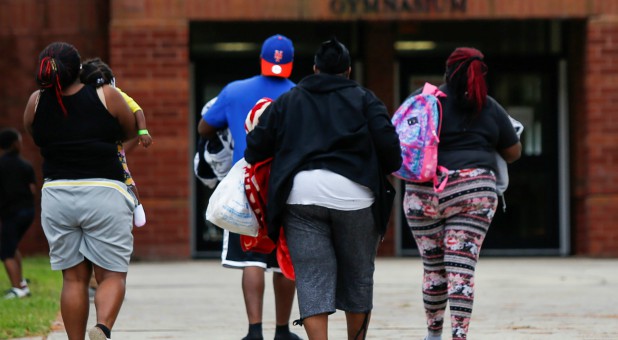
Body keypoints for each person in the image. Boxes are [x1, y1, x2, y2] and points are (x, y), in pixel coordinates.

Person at [244, 37, 402, 340]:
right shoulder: (366, 99)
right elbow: (392, 153)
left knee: (312, 279)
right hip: (356, 197)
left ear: (315, 68)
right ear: (348, 71)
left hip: (301, 197)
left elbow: (255, 149)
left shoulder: (289, 100)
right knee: (357, 278)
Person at [401, 47, 522, 340]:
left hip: (425, 192)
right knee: (461, 269)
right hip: (473, 192)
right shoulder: (489, 107)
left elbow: (401, 141)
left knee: (433, 267)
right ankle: (458, 336)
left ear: (447, 72)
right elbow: (513, 153)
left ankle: (433, 335)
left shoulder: (424, 100)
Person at [23, 42, 138, 340]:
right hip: (104, 192)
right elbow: (129, 131)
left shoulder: (36, 102)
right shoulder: (105, 95)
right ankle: (102, 329)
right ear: (79, 69)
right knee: (111, 274)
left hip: (57, 195)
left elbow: (36, 136)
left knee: (73, 278)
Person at [198, 34, 301, 340]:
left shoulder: (234, 90)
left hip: (248, 181)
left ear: (261, 59)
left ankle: (254, 331)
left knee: (251, 258)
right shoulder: (298, 94)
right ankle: (282, 331)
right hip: (287, 184)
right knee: (284, 259)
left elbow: (204, 127)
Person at [80, 57, 152, 228]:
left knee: (125, 174)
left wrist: (143, 131)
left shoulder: (116, 94)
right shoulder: (83, 97)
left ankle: (137, 205)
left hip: (114, 146)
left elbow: (137, 109)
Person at [0, 128, 36, 299]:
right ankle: (21, 283)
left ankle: (17, 288)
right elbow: (33, 189)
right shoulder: (25, 165)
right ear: (15, 143)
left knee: (6, 252)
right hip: (27, 212)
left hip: (9, 213)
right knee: (12, 246)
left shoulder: (1, 165)